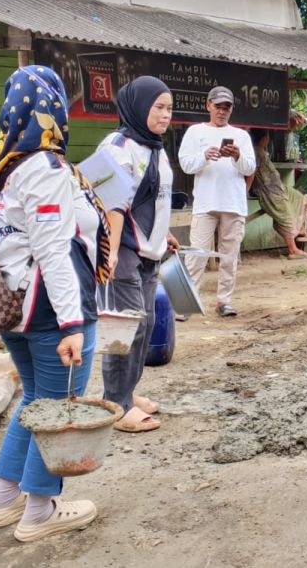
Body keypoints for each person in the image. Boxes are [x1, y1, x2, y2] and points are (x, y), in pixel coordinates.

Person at [0, 66, 110, 542]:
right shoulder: (44, 167)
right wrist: (72, 324)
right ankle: (40, 511)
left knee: (35, 400)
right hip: (53, 310)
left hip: (11, 305)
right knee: (55, 409)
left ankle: (3, 499)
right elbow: (53, 249)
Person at [95, 76, 179, 433]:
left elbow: (155, 199)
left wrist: (164, 233)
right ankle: (117, 404)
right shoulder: (115, 147)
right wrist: (111, 253)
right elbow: (110, 205)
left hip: (149, 252)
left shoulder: (155, 147)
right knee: (123, 327)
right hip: (123, 251)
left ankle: (127, 392)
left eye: (169, 108)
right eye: (158, 107)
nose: (165, 115)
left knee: (143, 325)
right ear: (139, 106)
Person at [179, 86, 256, 317]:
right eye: (218, 106)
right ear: (208, 106)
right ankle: (187, 303)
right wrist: (204, 156)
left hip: (233, 203)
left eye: (226, 108)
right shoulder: (195, 132)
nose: (222, 111)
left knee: (229, 256)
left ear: (231, 110)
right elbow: (186, 164)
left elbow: (250, 168)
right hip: (205, 202)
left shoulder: (241, 136)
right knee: (197, 255)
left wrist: (237, 155)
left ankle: (224, 301)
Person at [246, 127, 307, 260]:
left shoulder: (261, 151)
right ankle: (293, 250)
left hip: (279, 187)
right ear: (264, 139)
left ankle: (301, 229)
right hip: (269, 191)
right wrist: (246, 190)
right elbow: (252, 171)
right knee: (286, 216)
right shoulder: (256, 152)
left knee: (299, 198)